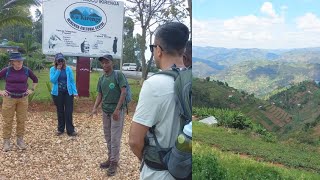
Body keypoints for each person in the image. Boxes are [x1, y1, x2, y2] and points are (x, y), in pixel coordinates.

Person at [129, 22, 189, 179]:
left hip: (160, 173)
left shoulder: (154, 85)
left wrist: (146, 160)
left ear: (159, 50)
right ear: (182, 50)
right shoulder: (193, 80)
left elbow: (135, 141)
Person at [89, 54, 127, 176]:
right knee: (108, 137)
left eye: (107, 62)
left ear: (112, 63)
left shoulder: (118, 75)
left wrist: (117, 109)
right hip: (106, 112)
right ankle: (110, 158)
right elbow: (100, 94)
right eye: (103, 63)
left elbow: (123, 92)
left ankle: (114, 163)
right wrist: (95, 108)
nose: (105, 64)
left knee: (115, 138)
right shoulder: (101, 79)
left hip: (116, 112)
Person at [0, 52, 38, 152]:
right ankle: (6, 141)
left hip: (23, 99)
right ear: (12, 62)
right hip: (9, 99)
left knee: (21, 120)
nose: (20, 62)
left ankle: (20, 140)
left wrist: (32, 90)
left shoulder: (26, 70)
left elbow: (35, 79)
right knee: (8, 120)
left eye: (21, 60)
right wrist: (0, 91)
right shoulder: (6, 70)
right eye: (18, 61)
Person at [50, 53, 78, 136]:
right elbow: (53, 80)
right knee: (60, 111)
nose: (60, 62)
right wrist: (58, 70)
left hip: (68, 93)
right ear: (56, 61)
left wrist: (75, 92)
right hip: (57, 93)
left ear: (64, 61)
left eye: (62, 60)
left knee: (69, 111)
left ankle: (70, 130)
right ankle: (60, 129)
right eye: (59, 60)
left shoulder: (68, 69)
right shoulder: (53, 69)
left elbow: (72, 81)